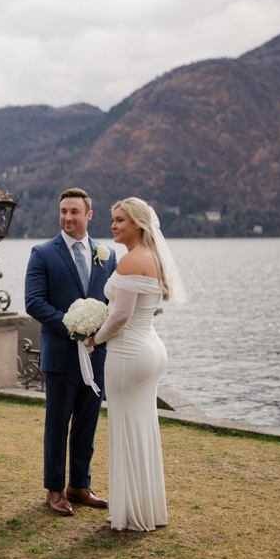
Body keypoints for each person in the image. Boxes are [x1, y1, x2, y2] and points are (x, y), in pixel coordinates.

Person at [88, 197, 187, 531]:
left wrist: (93, 339)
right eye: (113, 220)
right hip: (151, 348)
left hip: (129, 353)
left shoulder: (131, 260)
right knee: (142, 428)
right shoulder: (153, 257)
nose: (113, 226)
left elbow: (120, 314)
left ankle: (133, 513)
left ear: (139, 225)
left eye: (120, 220)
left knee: (127, 429)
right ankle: (146, 508)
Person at [25, 188, 117, 516]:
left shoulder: (106, 255)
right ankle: (54, 489)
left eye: (75, 212)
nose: (67, 217)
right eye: (63, 211)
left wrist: (99, 333)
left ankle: (80, 485)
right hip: (61, 356)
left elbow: (113, 303)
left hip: (97, 355)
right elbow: (34, 302)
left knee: (87, 423)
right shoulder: (43, 253)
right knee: (57, 424)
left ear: (88, 215)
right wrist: (72, 327)